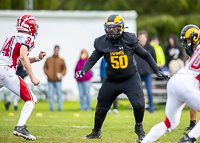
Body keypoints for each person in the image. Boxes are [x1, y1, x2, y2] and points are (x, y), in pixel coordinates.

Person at [75, 14, 168, 141]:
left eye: (114, 28)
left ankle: (139, 127)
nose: (111, 30)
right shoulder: (102, 42)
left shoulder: (129, 39)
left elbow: (145, 55)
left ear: (121, 28)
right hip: (111, 79)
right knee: (101, 108)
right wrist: (83, 70)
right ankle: (96, 131)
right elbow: (92, 59)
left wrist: (157, 70)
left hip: (130, 78)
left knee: (139, 104)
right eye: (108, 28)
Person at [142, 24, 200, 143]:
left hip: (175, 81)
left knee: (169, 123)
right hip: (187, 84)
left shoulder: (197, 49)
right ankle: (190, 138)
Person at [0, 14, 46, 140]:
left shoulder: (11, 36)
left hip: (1, 68)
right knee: (31, 99)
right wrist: (32, 77)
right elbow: (23, 56)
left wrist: (36, 58)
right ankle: (20, 127)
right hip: (6, 71)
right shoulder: (28, 37)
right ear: (30, 26)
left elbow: (18, 58)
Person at [134, 30, 157, 114]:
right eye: (140, 38)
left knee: (149, 92)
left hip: (147, 74)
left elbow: (154, 60)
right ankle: (139, 108)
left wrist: (152, 70)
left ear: (146, 38)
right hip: (138, 73)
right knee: (138, 92)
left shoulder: (151, 48)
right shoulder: (135, 47)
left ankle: (151, 108)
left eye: (143, 37)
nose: (141, 39)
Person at [43, 45, 66, 111]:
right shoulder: (48, 59)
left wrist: (62, 74)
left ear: (59, 50)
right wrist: (48, 74)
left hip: (58, 81)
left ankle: (59, 108)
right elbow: (44, 68)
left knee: (59, 94)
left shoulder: (61, 60)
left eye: (57, 50)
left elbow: (64, 69)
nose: (56, 51)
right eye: (55, 50)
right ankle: (51, 108)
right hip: (50, 80)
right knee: (50, 95)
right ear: (54, 50)